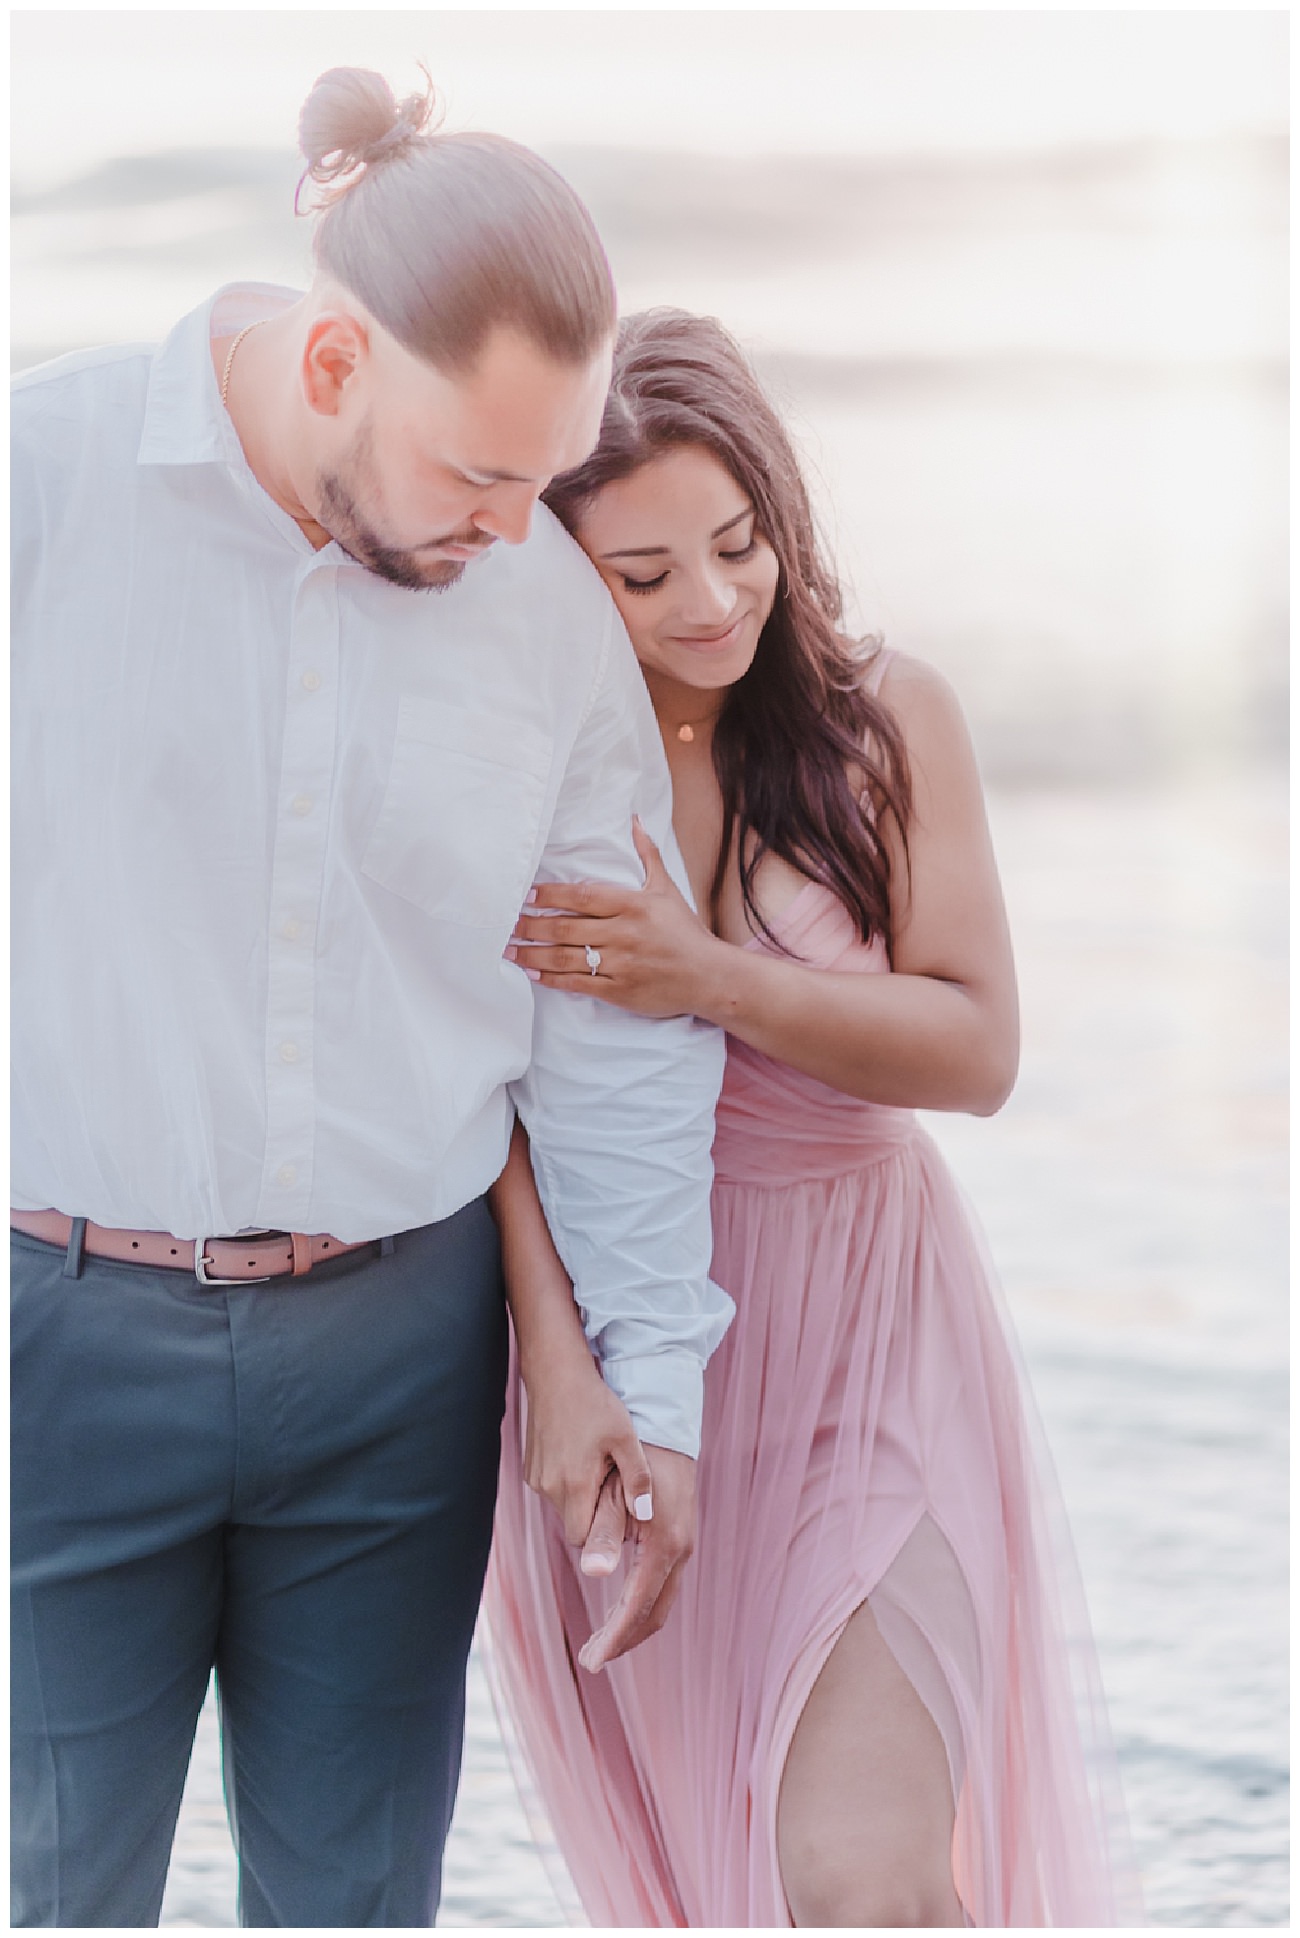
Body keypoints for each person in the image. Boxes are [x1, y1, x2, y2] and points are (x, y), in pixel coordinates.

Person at [11, 73, 733, 1929]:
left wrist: (652, 1386)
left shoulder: (545, 613)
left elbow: (609, 1037)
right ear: (335, 364)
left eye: (545, 477)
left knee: (356, 1906)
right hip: (52, 1345)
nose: (521, 530)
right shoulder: (41, 489)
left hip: (398, 1367)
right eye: (482, 474)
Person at [483, 309, 1141, 1926]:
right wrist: (559, 1366)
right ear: (559, 573)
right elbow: (471, 1093)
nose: (710, 602)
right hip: (620, 1365)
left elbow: (974, 1046)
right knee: (726, 1881)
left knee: (868, 1872)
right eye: (643, 577)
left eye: (737, 541)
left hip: (870, 1333)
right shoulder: (518, 759)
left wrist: (709, 975)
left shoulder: (881, 716)